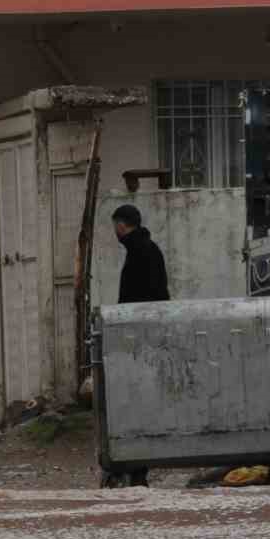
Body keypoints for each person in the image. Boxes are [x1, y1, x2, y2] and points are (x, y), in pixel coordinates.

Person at [103, 204, 170, 488]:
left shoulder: (140, 252)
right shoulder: (146, 249)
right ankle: (137, 468)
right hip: (145, 338)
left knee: (136, 403)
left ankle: (137, 468)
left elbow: (142, 297)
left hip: (140, 341)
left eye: (115, 226)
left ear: (121, 225)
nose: (115, 232)